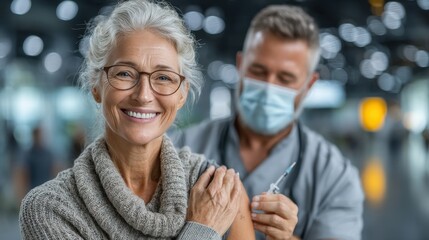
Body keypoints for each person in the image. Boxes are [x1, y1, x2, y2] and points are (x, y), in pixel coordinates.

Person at [19, 1, 255, 239]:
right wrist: (202, 231)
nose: (143, 95)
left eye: (163, 77)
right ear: (96, 86)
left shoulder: (219, 192)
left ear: (182, 94)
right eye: (124, 73)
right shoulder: (50, 210)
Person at [172, 4, 364, 240]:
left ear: (309, 85)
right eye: (259, 71)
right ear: (240, 65)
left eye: (285, 78)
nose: (269, 87)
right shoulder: (180, 146)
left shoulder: (334, 176)